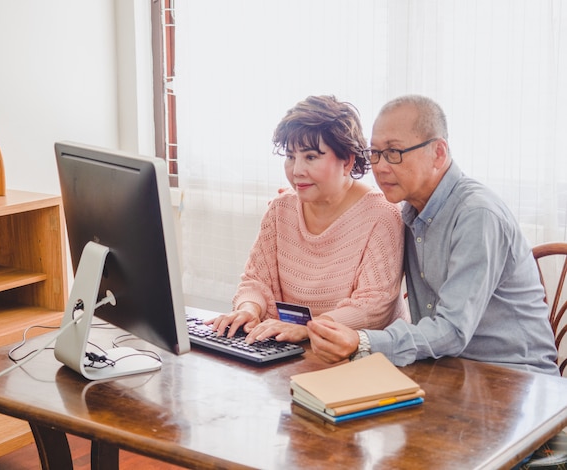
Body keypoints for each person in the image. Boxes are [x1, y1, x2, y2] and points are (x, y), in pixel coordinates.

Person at [307, 94, 559, 376]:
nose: (380, 167)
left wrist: (363, 341)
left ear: (438, 153)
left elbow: (451, 330)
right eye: (375, 153)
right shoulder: (409, 210)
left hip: (514, 378)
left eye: (394, 153)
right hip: (446, 369)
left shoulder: (477, 215)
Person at [206, 95, 410, 343]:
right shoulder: (281, 209)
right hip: (292, 350)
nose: (297, 170)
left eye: (311, 157)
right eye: (290, 156)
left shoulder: (383, 214)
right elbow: (256, 281)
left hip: (363, 360)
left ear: (347, 161)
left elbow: (373, 307)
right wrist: (249, 309)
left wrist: (310, 329)